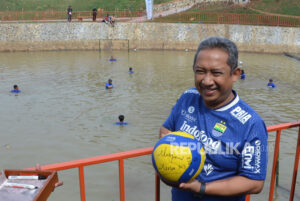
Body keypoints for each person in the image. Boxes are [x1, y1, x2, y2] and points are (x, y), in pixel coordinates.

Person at [159, 36, 268, 201]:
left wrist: (202, 188)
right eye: (200, 71)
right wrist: (167, 161)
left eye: (216, 73)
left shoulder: (250, 123)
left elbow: (254, 182)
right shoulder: (188, 98)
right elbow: (166, 129)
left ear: (235, 74)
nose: (207, 81)